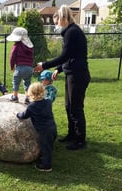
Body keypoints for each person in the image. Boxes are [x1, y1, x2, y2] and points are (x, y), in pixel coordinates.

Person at [34, 5, 91, 150]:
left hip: (78, 75)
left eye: (57, 21)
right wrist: (59, 69)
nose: (56, 25)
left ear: (63, 18)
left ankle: (80, 140)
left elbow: (65, 55)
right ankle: (72, 134)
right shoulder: (71, 31)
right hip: (71, 73)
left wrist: (44, 65)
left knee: (75, 108)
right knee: (68, 106)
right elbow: (71, 55)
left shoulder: (72, 32)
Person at [16, 82, 57, 172]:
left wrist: (17, 114)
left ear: (30, 94)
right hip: (52, 127)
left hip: (44, 131)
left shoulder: (32, 106)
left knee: (45, 147)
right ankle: (46, 158)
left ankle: (46, 166)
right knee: (48, 145)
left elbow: (24, 115)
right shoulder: (48, 102)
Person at [6, 27, 34, 104]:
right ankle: (28, 98)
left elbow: (12, 57)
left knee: (16, 81)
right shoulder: (30, 46)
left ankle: (15, 97)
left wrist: (12, 66)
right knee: (27, 83)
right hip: (29, 68)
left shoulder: (16, 46)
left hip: (20, 68)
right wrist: (31, 67)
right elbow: (31, 58)